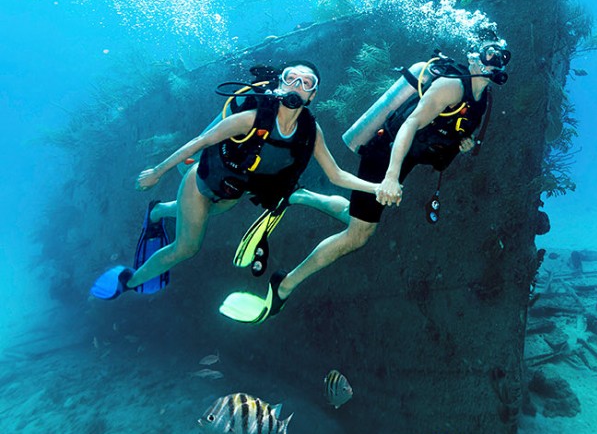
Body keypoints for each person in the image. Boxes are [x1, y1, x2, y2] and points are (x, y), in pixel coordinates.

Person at [244, 41, 512, 323]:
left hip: (403, 160)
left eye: (501, 57)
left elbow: (448, 127)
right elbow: (410, 124)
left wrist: (463, 143)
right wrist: (390, 178)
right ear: (473, 58)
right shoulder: (450, 86)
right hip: (383, 156)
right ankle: (284, 285)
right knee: (358, 235)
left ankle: (300, 197)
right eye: (488, 54)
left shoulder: (483, 99)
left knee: (357, 217)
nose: (494, 61)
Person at [90, 62, 382, 300]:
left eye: (307, 83)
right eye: (291, 78)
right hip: (201, 183)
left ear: (313, 95)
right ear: (279, 83)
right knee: (187, 248)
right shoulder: (252, 118)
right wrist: (157, 171)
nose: (297, 86)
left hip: (233, 192)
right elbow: (200, 141)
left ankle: (157, 211)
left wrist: (379, 188)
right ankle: (129, 280)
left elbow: (336, 175)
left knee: (199, 215)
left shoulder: (310, 130)